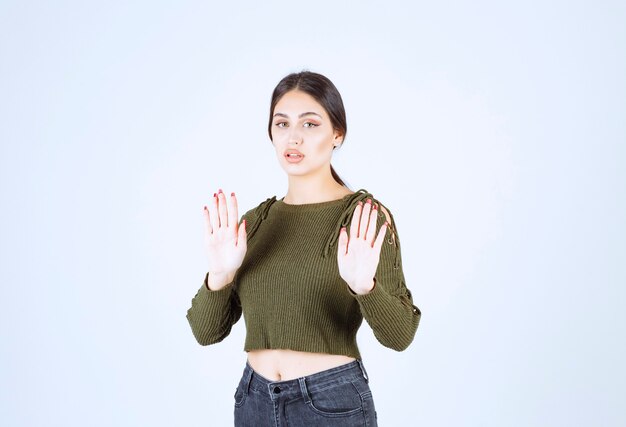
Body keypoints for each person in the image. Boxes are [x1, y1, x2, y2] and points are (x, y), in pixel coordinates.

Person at [186, 71, 421, 426]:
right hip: (254, 401)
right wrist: (220, 275)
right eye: (282, 124)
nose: (293, 137)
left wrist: (365, 289)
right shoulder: (256, 222)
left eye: (310, 124)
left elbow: (400, 335)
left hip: (330, 404)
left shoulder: (361, 218)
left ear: (337, 134)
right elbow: (206, 333)